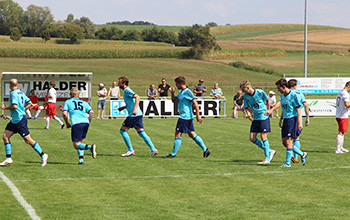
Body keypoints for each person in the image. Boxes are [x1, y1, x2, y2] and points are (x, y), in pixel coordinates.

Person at [0, 79, 48, 167]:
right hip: (15, 119)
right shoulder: (21, 93)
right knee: (5, 136)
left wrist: (5, 108)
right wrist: (23, 109)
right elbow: (30, 103)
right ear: (17, 85)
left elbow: (14, 106)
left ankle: (43, 155)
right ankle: (8, 158)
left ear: (10, 86)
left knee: (28, 140)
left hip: (19, 120)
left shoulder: (13, 93)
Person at [162, 76, 211, 158]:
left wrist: (198, 116)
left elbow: (195, 103)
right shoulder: (181, 92)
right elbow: (174, 101)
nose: (176, 86)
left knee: (178, 134)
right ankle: (206, 150)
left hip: (185, 117)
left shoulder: (187, 92)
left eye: (177, 84)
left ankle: (173, 154)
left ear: (181, 83)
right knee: (192, 134)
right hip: (187, 117)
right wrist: (172, 93)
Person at [266, 79, 308, 167]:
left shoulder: (293, 95)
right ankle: (302, 154)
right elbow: (280, 104)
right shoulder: (282, 95)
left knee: (288, 140)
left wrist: (300, 123)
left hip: (292, 119)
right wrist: (275, 114)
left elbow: (298, 109)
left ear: (284, 87)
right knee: (284, 142)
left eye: (279, 88)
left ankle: (287, 163)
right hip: (285, 119)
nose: (278, 90)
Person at [117, 76, 158, 157]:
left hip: (133, 115)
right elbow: (131, 101)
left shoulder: (127, 90)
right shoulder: (126, 90)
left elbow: (137, 97)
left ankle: (130, 150)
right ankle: (154, 149)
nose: (118, 83)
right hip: (137, 115)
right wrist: (124, 107)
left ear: (124, 83)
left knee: (122, 131)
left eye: (119, 82)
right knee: (141, 132)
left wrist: (134, 110)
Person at [240, 81, 276, 164]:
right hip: (255, 118)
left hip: (263, 117)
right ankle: (270, 151)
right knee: (252, 138)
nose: (243, 92)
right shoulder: (245, 96)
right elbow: (246, 107)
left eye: (244, 90)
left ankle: (267, 158)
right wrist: (248, 114)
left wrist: (268, 110)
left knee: (263, 137)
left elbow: (268, 100)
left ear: (248, 88)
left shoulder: (260, 92)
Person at [62, 88, 97, 165]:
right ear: (78, 95)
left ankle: (90, 147)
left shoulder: (68, 102)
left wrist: (67, 123)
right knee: (80, 142)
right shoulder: (84, 102)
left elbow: (64, 114)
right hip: (85, 123)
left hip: (77, 123)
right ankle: (81, 160)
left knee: (76, 145)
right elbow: (91, 112)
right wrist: (89, 121)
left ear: (71, 95)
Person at [288, 79, 310, 162]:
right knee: (296, 138)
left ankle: (296, 156)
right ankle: (296, 157)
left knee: (288, 139)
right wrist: (307, 118)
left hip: (289, 118)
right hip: (298, 118)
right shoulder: (300, 93)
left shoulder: (287, 93)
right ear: (295, 85)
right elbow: (306, 106)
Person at [335, 81, 350, 153]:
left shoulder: (340, 92)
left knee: (343, 131)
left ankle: (341, 147)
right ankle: (338, 149)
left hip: (339, 114)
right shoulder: (345, 94)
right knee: (341, 132)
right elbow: (347, 104)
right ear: (348, 86)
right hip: (342, 115)